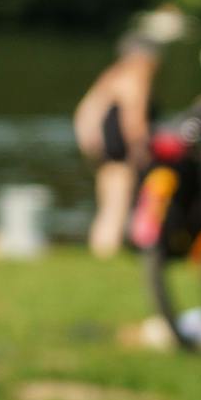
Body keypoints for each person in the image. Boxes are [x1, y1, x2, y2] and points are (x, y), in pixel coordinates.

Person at [73, 34, 163, 258]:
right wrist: (141, 151)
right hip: (121, 152)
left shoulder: (112, 75)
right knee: (118, 205)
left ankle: (101, 250)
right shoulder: (136, 75)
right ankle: (108, 252)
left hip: (103, 152)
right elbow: (134, 119)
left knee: (108, 205)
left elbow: (85, 113)